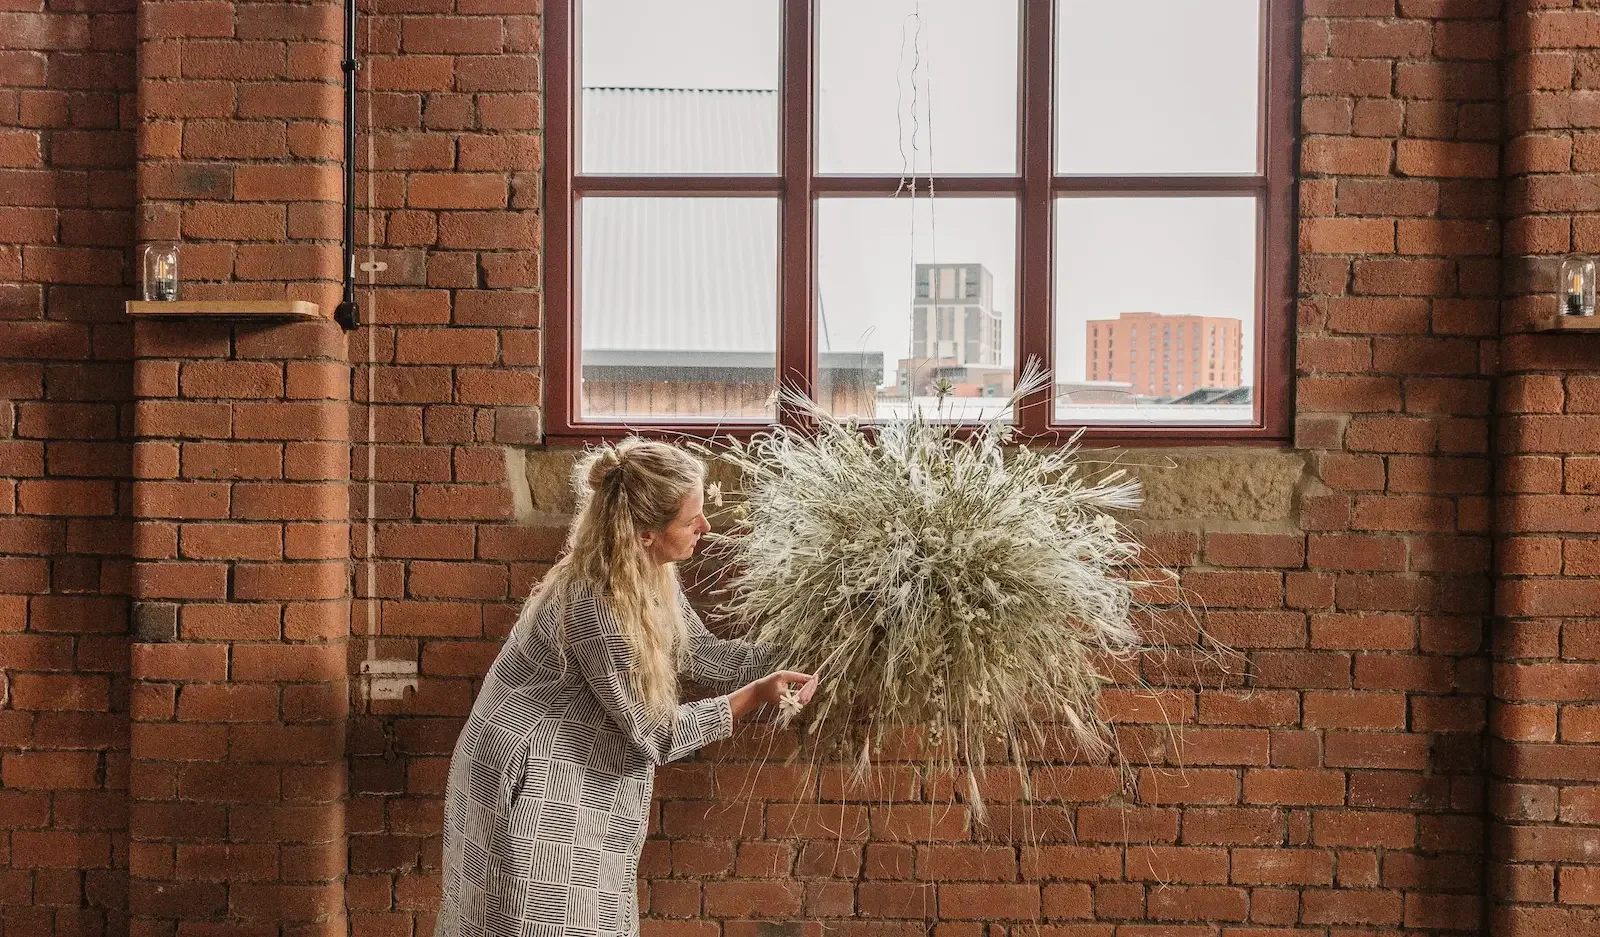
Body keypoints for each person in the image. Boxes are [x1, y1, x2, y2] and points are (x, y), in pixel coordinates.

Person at [436, 438, 815, 937]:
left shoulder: (647, 573)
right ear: (645, 535)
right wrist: (754, 695)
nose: (704, 527)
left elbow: (700, 653)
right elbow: (655, 735)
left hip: (573, 774)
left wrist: (810, 638)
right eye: (690, 520)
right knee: (539, 922)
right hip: (530, 780)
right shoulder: (601, 602)